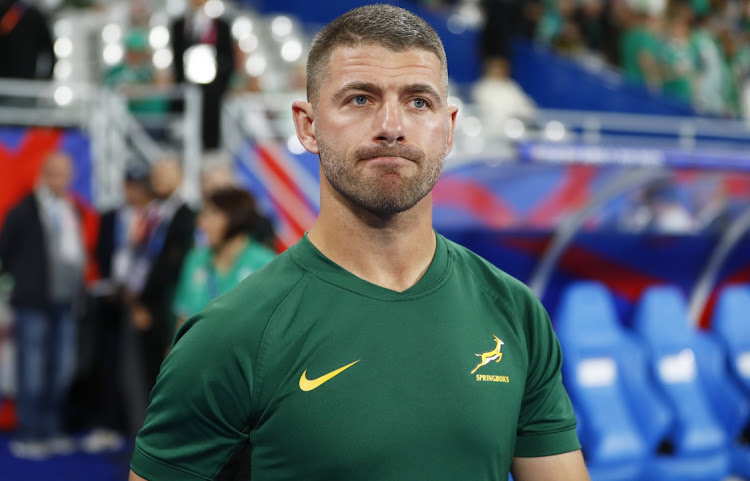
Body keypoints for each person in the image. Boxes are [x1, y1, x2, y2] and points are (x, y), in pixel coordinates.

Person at [129, 5, 590, 481]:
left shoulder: (515, 313)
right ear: (308, 126)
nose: (392, 125)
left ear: (449, 128)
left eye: (418, 102)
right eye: (360, 99)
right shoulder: (229, 336)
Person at [0, 152, 85, 459]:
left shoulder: (70, 208)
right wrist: (26, 281)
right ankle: (30, 431)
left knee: (62, 368)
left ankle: (52, 428)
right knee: (32, 369)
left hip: (65, 302)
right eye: (55, 174)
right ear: (44, 174)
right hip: (33, 302)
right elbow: (5, 251)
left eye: (65, 174)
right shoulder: (23, 209)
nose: (60, 180)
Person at [126, 158, 195, 401]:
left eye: (165, 175)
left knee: (166, 369)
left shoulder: (188, 215)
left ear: (180, 178)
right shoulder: (149, 213)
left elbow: (171, 264)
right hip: (145, 301)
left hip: (169, 302)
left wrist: (144, 299)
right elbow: (142, 259)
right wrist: (136, 300)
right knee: (146, 370)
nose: (159, 181)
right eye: (155, 176)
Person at [172, 187, 275, 332]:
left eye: (210, 215)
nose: (201, 223)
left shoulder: (265, 264)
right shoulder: (196, 260)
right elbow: (183, 317)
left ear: (235, 216)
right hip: (198, 351)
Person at [170, 0, 233, 150]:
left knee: (211, 134)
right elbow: (175, 58)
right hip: (185, 91)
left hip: (213, 95)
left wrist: (219, 85)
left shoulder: (221, 25)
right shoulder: (178, 25)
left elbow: (229, 59)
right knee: (185, 133)